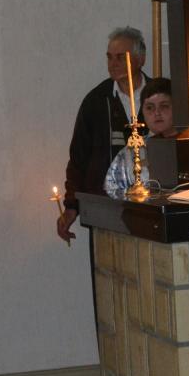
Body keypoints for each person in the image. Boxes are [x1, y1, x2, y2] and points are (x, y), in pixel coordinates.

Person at [57, 27, 147, 242]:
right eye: (109, 57)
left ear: (140, 59)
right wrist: (71, 206)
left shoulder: (158, 97)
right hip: (106, 209)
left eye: (120, 57)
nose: (112, 64)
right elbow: (78, 158)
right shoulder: (96, 101)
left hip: (149, 209)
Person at [104, 78, 176, 198]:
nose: (157, 113)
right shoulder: (129, 153)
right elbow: (112, 192)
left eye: (164, 106)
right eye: (149, 107)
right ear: (142, 111)